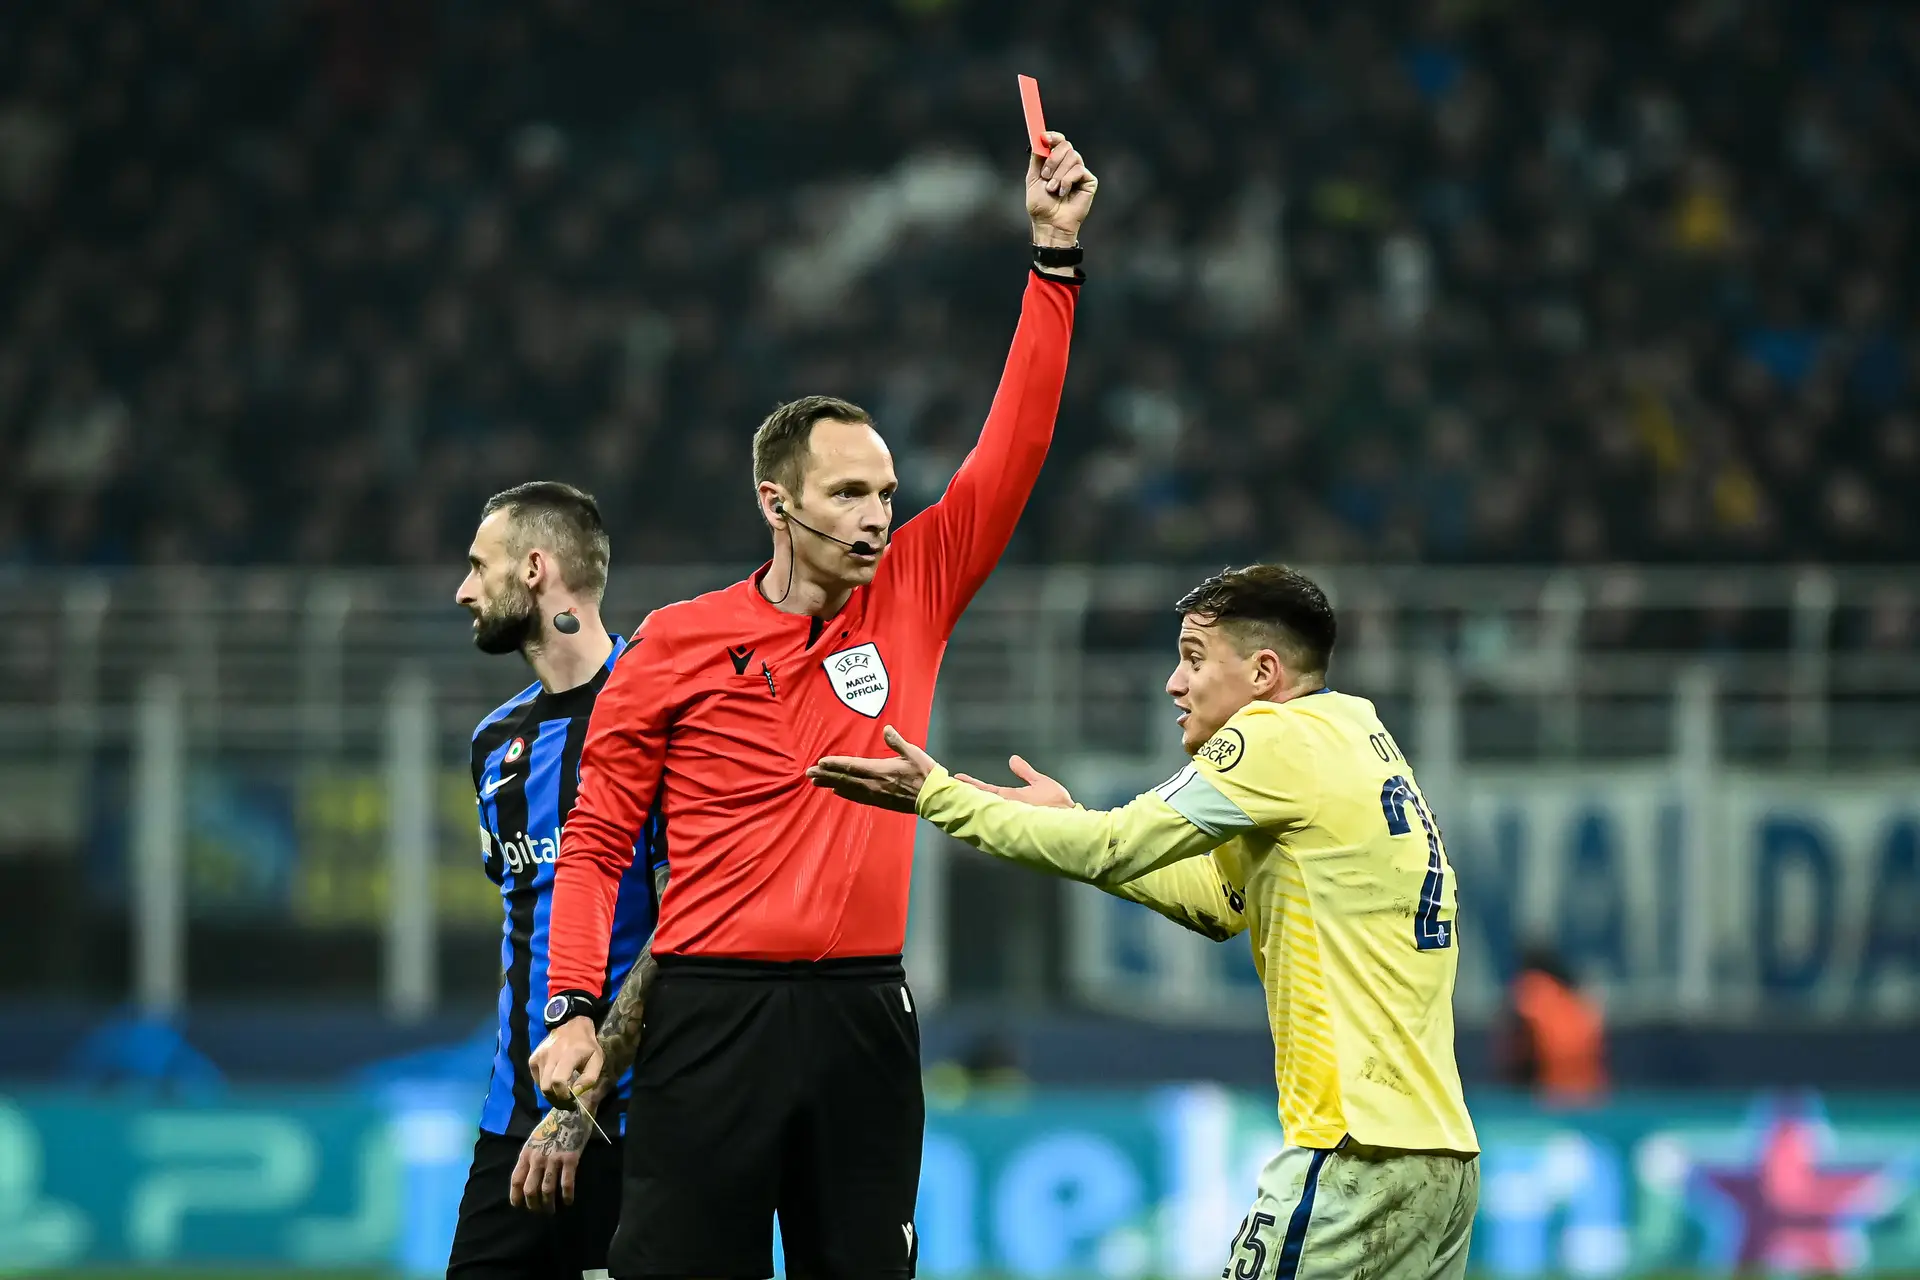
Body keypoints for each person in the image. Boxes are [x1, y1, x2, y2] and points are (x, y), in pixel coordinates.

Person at [530, 132, 1098, 1278]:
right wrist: (574, 1006)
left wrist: (1053, 258)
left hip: (861, 1016)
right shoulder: (678, 641)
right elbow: (595, 840)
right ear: (775, 502)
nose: (878, 513)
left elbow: (1014, 448)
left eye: (887, 491)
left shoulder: (913, 594)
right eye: (848, 492)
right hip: (706, 1015)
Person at [809, 564, 1481, 1280]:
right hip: (1438, 1159)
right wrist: (1069, 820)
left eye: (1194, 658)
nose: (1174, 682)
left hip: (1353, 1154)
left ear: (1262, 673)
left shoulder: (1276, 739)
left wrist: (938, 797)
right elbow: (1222, 903)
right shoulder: (1358, 737)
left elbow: (1119, 843)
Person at [448, 482, 668, 1280]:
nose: (463, 590)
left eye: (479, 566)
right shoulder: (493, 744)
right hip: (514, 1125)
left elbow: (688, 924)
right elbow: (524, 926)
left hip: (640, 1125)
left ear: (536, 570)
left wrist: (592, 1088)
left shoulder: (666, 720)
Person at [1498, 943, 1607, 1103]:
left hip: (1550, 1096)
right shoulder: (1579, 1000)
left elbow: (1520, 1048)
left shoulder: (1532, 989)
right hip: (1590, 1094)